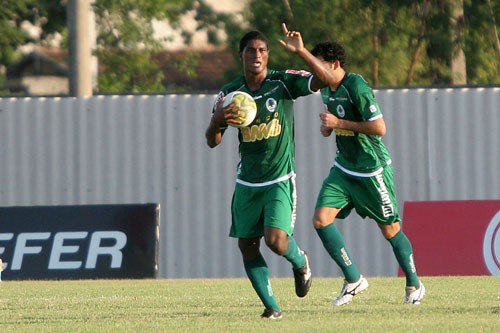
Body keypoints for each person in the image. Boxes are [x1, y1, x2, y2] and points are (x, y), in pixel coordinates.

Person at [205, 24, 332, 319]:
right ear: (242, 56)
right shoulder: (230, 94)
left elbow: (325, 79)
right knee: (248, 246)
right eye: (251, 51)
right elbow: (212, 142)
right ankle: (272, 307)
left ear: (268, 55)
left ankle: (300, 261)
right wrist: (216, 120)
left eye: (263, 51)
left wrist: (301, 51)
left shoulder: (281, 82)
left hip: (279, 179)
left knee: (275, 240)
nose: (257, 56)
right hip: (247, 182)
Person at [309, 41, 425, 306]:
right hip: (343, 168)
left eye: (319, 65)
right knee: (320, 220)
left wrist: (339, 123)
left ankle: (414, 284)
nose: (315, 72)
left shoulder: (356, 87)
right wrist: (329, 129)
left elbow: (379, 127)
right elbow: (335, 124)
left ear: (335, 64)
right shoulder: (326, 89)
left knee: (390, 230)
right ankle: (353, 279)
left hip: (371, 170)